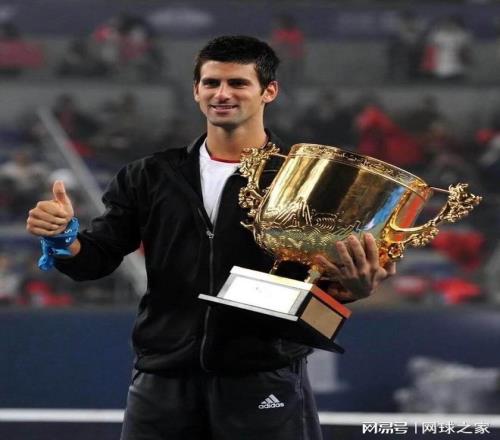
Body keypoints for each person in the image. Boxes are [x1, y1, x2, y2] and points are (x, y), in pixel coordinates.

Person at [26, 36, 396, 440]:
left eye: (238, 83)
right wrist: (63, 237)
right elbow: (96, 258)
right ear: (196, 90)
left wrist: (352, 288)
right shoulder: (149, 175)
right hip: (163, 380)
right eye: (211, 83)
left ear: (269, 91)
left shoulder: (309, 181)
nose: (222, 94)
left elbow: (325, 282)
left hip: (262, 376)